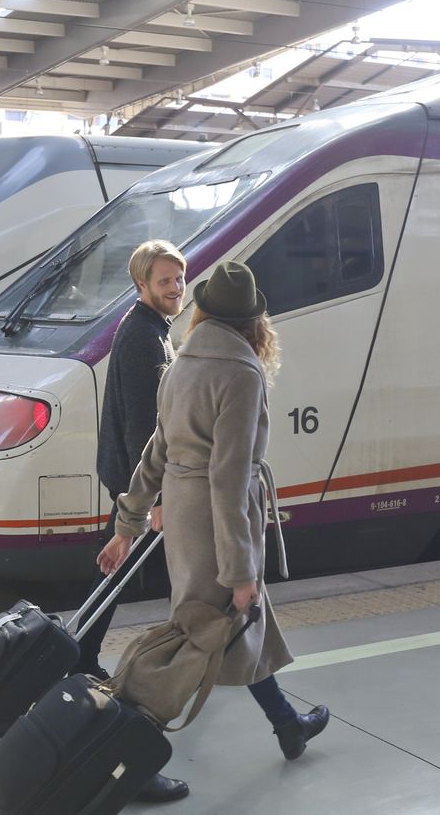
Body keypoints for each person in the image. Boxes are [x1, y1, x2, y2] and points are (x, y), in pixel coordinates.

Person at [98, 263, 329, 802]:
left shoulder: (182, 361)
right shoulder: (241, 373)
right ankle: (126, 757)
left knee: (236, 627)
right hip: (217, 520)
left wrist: (127, 523)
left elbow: (157, 450)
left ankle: (286, 724)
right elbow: (227, 478)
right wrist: (240, 569)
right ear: (253, 320)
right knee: (196, 638)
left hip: (185, 511)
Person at [78, 240, 185, 677]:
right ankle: (82, 654)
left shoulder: (148, 326)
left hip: (132, 477)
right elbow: (144, 424)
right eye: (165, 281)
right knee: (117, 568)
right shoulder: (144, 336)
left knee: (124, 568)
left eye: (179, 277)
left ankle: (84, 653)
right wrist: (153, 499)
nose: (177, 287)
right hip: (136, 480)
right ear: (142, 284)